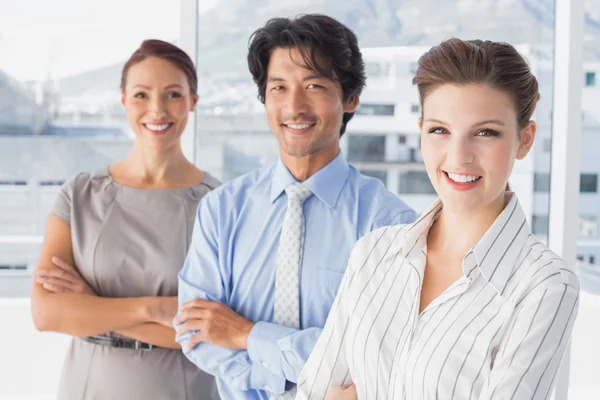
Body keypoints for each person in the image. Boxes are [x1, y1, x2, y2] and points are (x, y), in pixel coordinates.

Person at [297, 38, 580, 400]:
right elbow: (312, 392)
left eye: (485, 133)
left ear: (525, 140)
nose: (458, 156)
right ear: (421, 131)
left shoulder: (543, 286)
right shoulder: (373, 253)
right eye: (440, 130)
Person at [173, 14, 417, 400]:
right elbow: (196, 332)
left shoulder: (390, 225)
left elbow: (369, 361)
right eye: (279, 88)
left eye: (314, 85)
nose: (294, 106)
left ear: (351, 98)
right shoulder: (221, 210)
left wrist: (247, 335)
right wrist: (300, 378)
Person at [31, 39, 220, 400]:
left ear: (193, 101)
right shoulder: (80, 195)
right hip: (89, 386)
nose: (157, 110)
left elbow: (212, 334)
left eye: (173, 94)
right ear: (123, 100)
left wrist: (90, 305)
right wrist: (154, 308)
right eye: (141, 95)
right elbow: (46, 313)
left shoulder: (219, 205)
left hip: (182, 389)